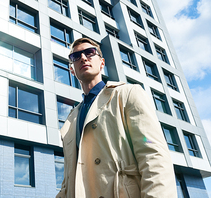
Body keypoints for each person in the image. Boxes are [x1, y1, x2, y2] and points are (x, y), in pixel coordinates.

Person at [56, 38, 177, 198]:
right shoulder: (71, 120)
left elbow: (153, 154)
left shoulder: (127, 94)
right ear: (72, 70)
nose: (83, 58)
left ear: (102, 62)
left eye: (90, 53)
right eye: (76, 56)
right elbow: (67, 183)